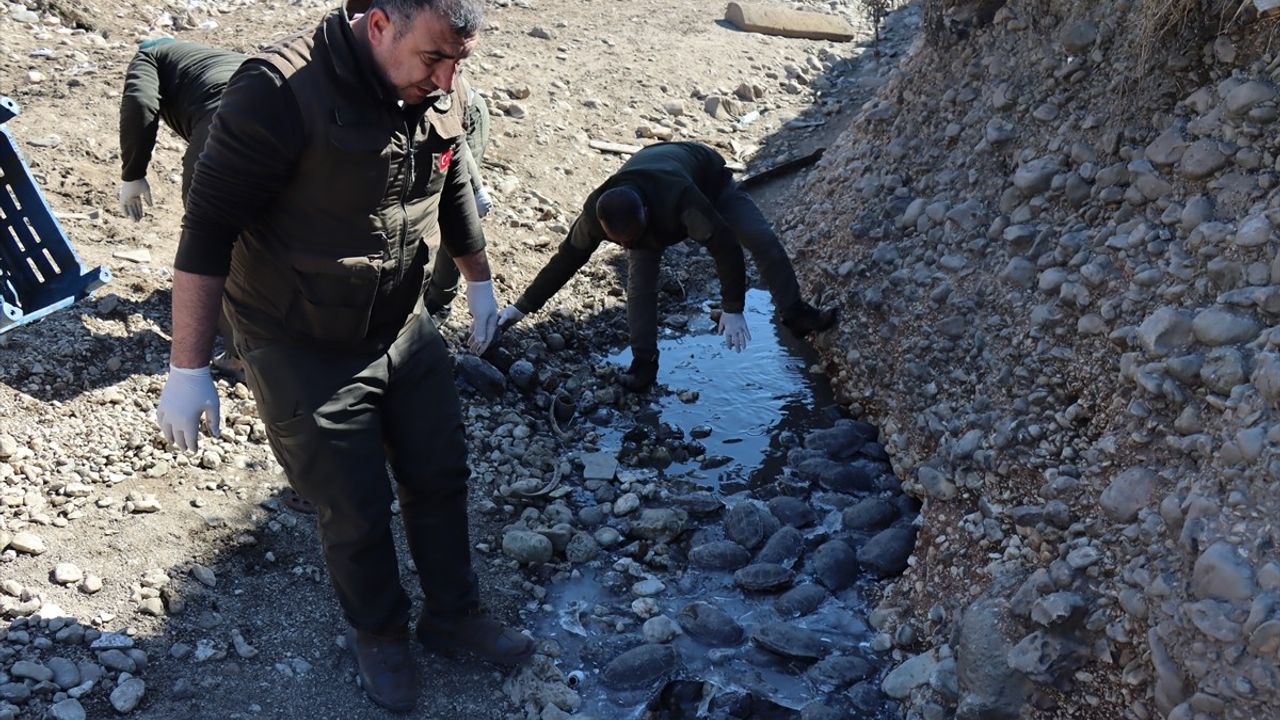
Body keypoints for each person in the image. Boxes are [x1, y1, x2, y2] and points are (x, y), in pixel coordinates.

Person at [153, 0, 532, 713]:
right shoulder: (278, 91)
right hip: (298, 337)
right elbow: (206, 230)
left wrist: (479, 282)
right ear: (380, 23)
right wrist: (187, 365)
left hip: (397, 321)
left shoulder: (441, 81)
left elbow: (449, 179)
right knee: (354, 504)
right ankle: (380, 634)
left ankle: (454, 616)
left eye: (461, 62)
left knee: (440, 472)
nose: (448, 79)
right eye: (434, 60)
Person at [496, 141, 837, 391]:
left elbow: (725, 246)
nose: (628, 248)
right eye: (621, 244)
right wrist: (520, 308)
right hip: (650, 199)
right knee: (640, 288)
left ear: (644, 214)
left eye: (632, 240)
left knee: (762, 241)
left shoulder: (681, 201)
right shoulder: (596, 215)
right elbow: (566, 260)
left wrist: (733, 307)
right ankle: (644, 365)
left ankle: (795, 314)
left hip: (708, 184)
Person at [118, 39, 248, 378]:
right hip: (286, 126)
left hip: (222, 129)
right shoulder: (219, 56)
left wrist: (133, 173)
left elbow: (139, 102)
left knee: (211, 243)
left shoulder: (148, 55)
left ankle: (239, 356)